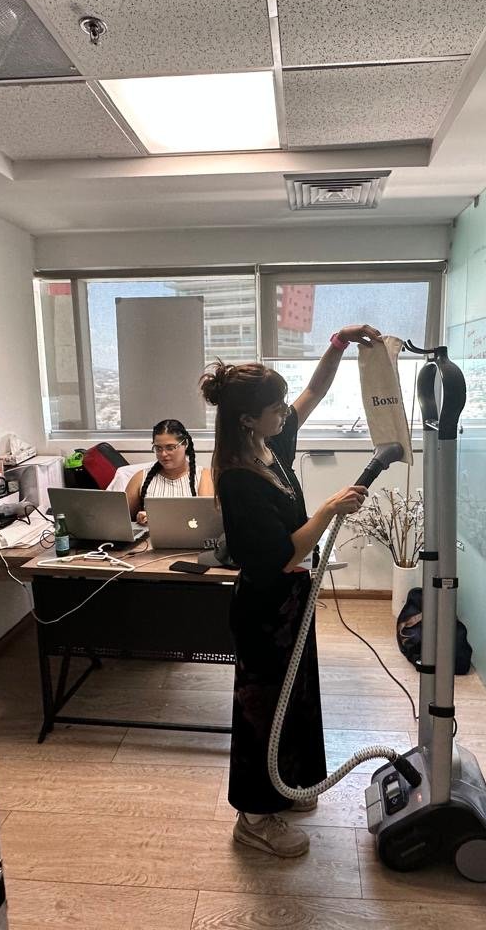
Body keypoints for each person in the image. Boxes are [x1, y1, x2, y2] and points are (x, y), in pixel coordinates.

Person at [199, 323, 381, 858]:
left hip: (291, 604)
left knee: (295, 699)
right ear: (247, 417)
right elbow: (281, 555)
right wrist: (328, 508)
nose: (286, 412)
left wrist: (338, 345)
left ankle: (285, 783)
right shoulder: (237, 477)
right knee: (262, 707)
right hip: (264, 609)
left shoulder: (269, 445)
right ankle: (253, 817)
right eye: (276, 407)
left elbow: (316, 391)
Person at [123, 418, 214, 524]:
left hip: (190, 539)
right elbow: (120, 518)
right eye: (158, 448)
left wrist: (157, 518)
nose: (163, 454)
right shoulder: (140, 477)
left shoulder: (203, 476)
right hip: (150, 539)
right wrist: (139, 519)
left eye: (170, 447)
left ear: (185, 444)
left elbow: (207, 520)